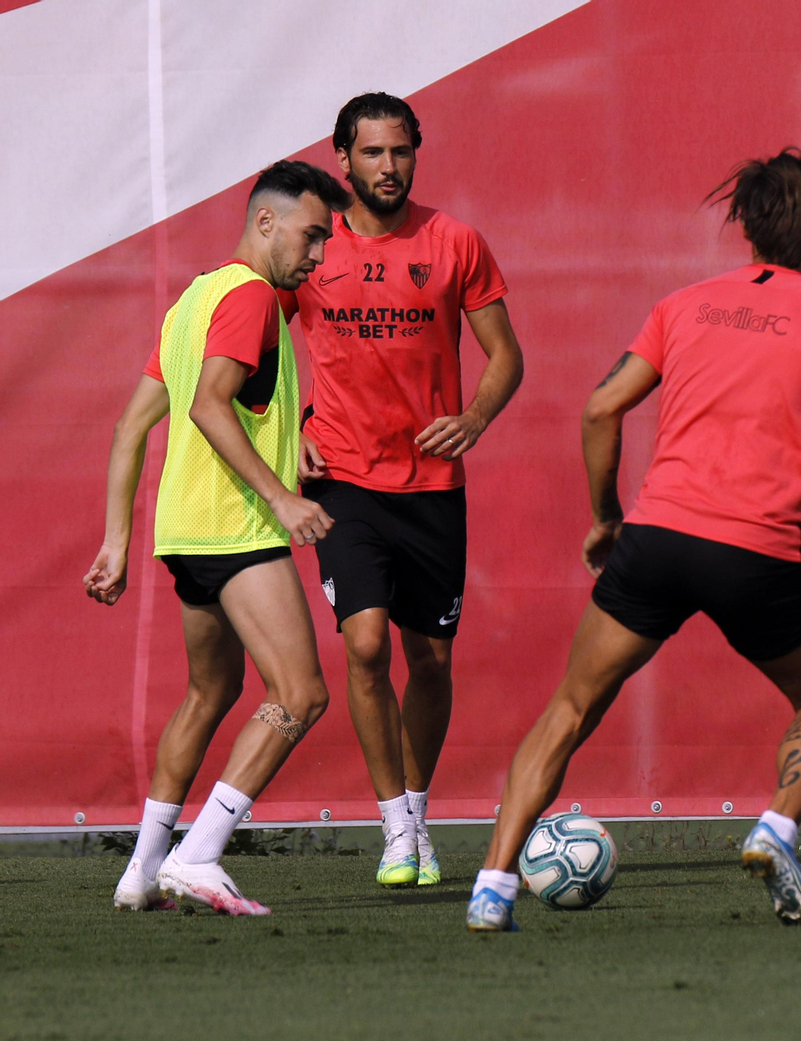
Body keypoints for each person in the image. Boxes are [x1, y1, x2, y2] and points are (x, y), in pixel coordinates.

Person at [465, 148, 801, 932]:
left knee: (569, 707)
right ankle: (776, 828)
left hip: (656, 538)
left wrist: (605, 517)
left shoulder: (685, 304)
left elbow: (599, 409)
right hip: (754, 553)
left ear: (747, 229)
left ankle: (492, 887)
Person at [86, 161, 350, 915]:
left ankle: (139, 871)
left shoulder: (192, 298)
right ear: (264, 223)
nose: (319, 254)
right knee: (300, 693)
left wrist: (117, 541)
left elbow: (130, 425)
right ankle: (197, 855)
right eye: (311, 235)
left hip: (186, 532)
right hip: (238, 529)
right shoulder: (249, 295)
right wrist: (281, 497)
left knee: (211, 692)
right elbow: (208, 404)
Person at [282, 93, 525, 888]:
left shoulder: (455, 240)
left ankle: (417, 816)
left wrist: (475, 417)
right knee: (364, 644)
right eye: (373, 153)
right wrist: (291, 432)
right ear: (343, 158)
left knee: (431, 660)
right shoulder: (314, 246)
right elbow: (255, 346)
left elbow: (505, 357)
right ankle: (392, 825)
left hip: (432, 486)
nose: (388, 167)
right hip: (345, 480)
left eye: (401, 152)